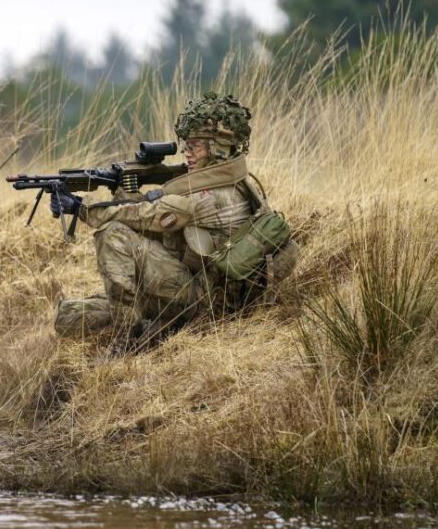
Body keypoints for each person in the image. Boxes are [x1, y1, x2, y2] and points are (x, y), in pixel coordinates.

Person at [52, 92, 297, 350]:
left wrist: (80, 207)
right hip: (196, 286)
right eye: (186, 145)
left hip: (205, 300)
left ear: (218, 148)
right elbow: (151, 218)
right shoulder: (234, 179)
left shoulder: (211, 196)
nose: (187, 153)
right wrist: (123, 188)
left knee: (112, 234)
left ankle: (130, 339)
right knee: (68, 317)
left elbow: (146, 215)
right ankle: (154, 325)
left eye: (195, 146)